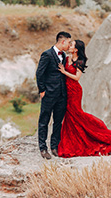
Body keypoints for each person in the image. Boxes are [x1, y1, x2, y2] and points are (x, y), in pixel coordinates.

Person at [57, 40, 111, 158]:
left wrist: (64, 72)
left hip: (75, 91)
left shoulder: (80, 61)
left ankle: (94, 133)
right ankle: (72, 139)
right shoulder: (66, 58)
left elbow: (77, 77)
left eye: (71, 45)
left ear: (76, 49)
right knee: (69, 115)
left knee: (76, 113)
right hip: (66, 90)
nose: (69, 46)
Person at [36, 31, 71, 159]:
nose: (68, 45)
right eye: (68, 42)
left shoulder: (64, 56)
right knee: (44, 121)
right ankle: (43, 148)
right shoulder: (47, 54)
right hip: (49, 94)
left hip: (61, 95)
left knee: (58, 122)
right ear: (62, 41)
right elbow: (40, 73)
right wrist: (42, 90)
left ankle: (54, 146)